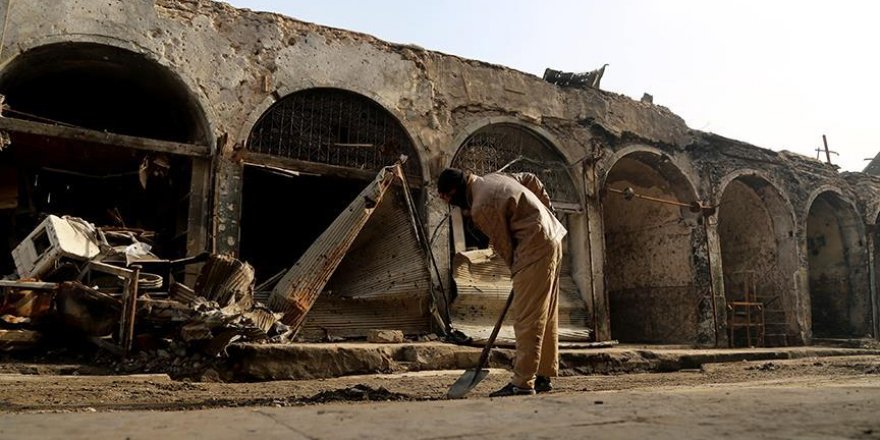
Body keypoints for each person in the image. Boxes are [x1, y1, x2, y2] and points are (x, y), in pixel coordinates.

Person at [437, 167, 567, 397]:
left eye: (447, 199)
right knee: (544, 314)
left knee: (527, 317)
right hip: (552, 238)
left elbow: (504, 246)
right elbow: (531, 178)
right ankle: (543, 375)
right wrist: (549, 213)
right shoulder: (496, 178)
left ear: (454, 191)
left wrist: (518, 272)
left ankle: (523, 383)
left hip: (533, 246)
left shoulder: (480, 206)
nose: (451, 203)